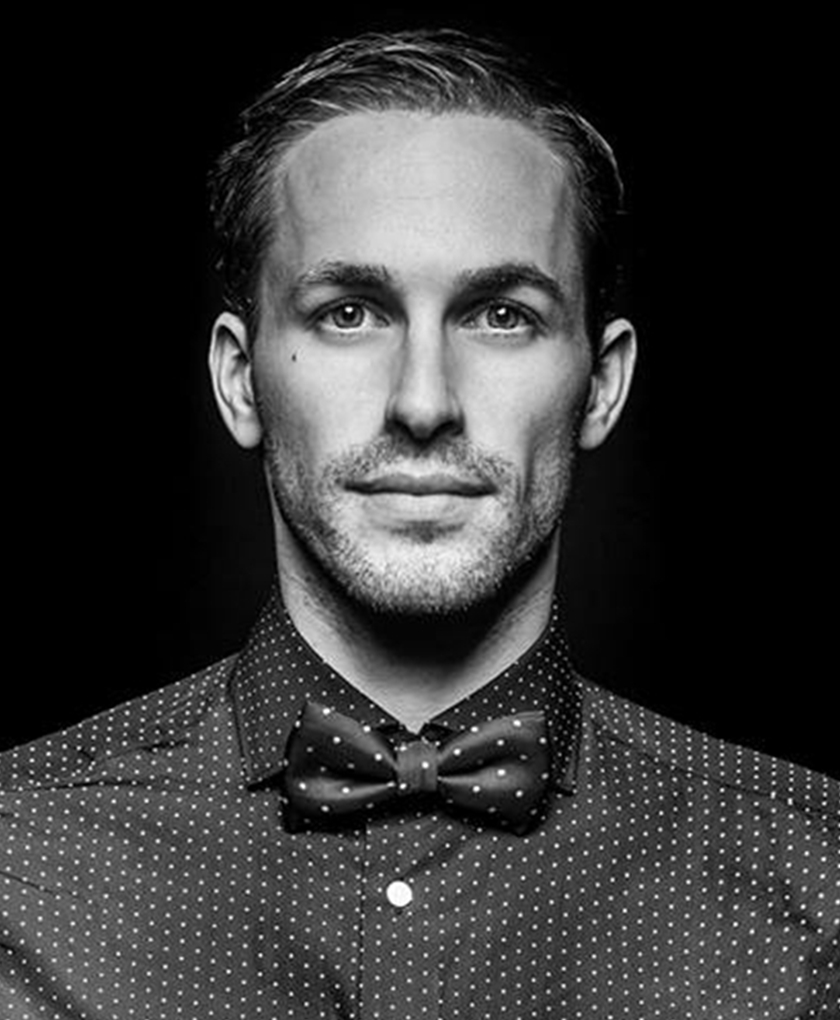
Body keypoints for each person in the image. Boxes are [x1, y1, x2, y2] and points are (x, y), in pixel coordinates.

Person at [1, 28, 837, 1020]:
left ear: (603, 385)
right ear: (240, 380)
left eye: (501, 315)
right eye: (350, 313)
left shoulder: (817, 882)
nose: (425, 403)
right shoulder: (18, 859)